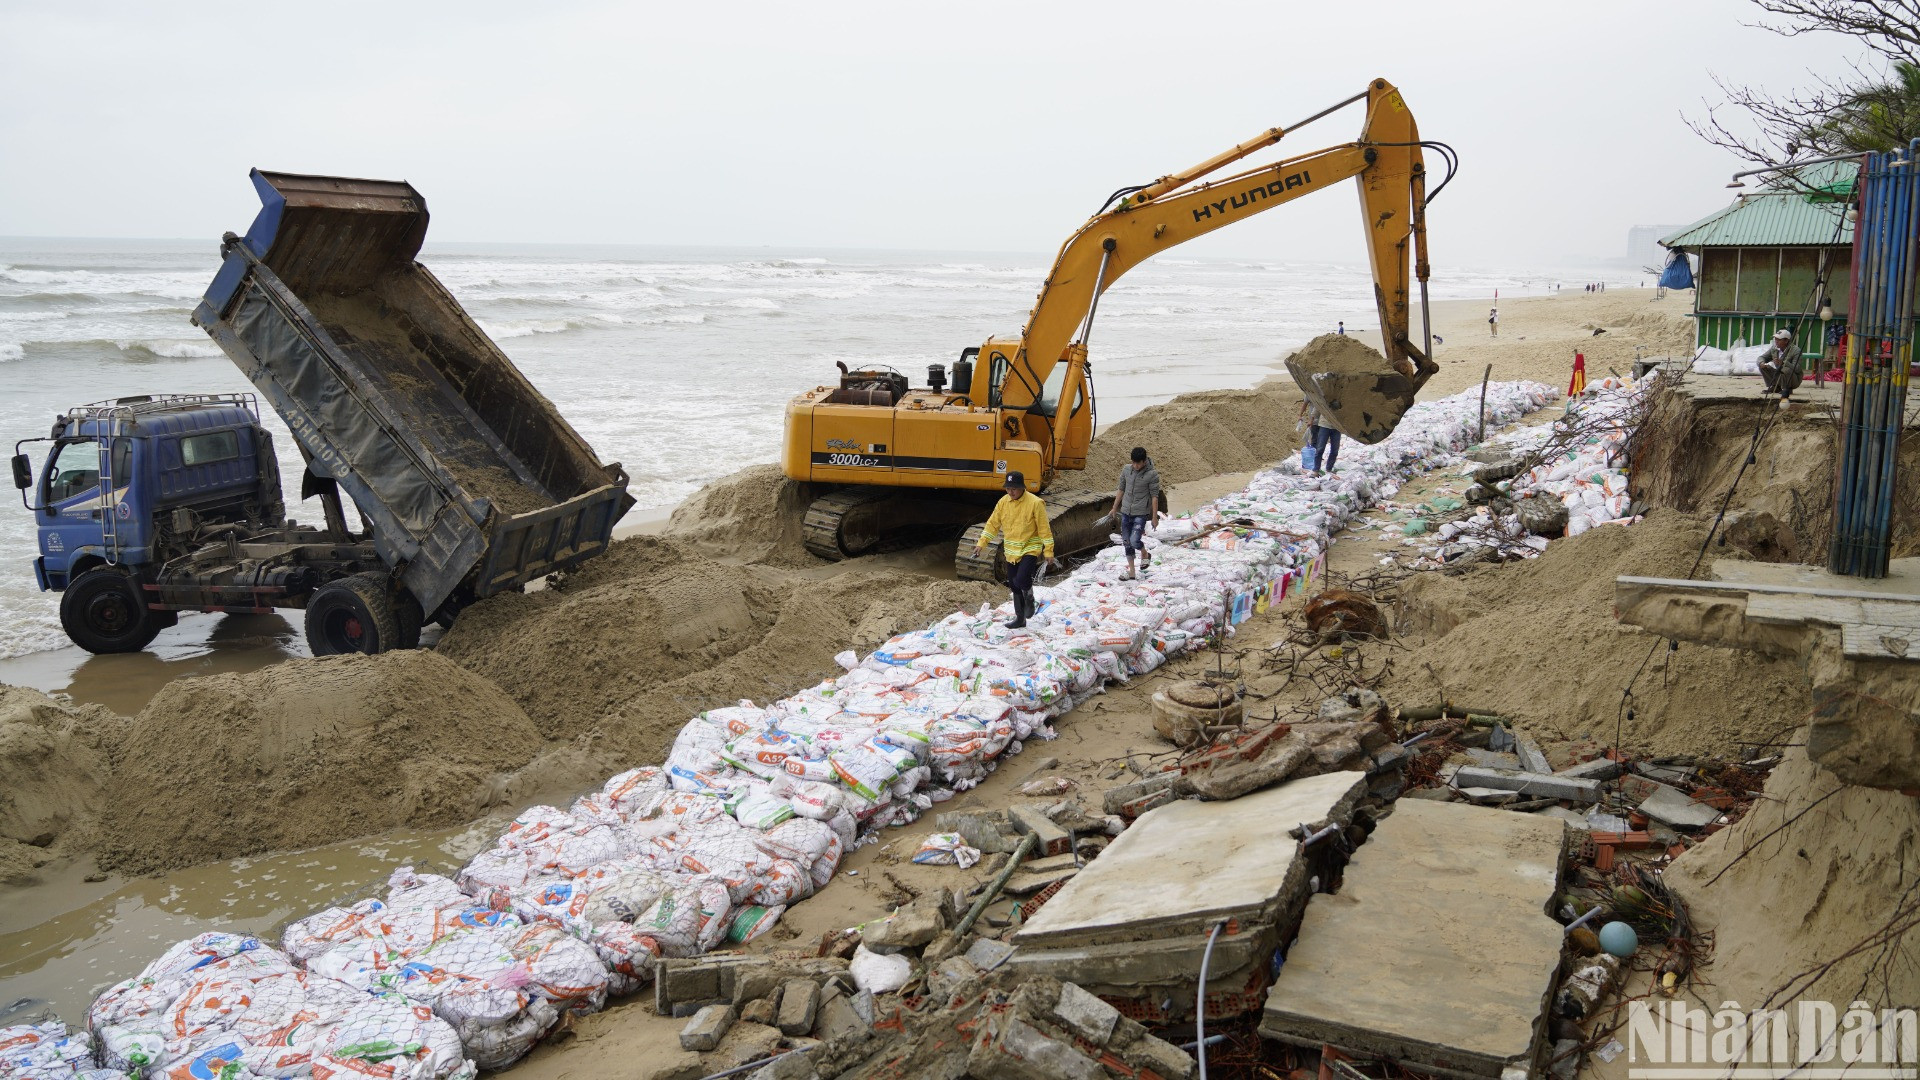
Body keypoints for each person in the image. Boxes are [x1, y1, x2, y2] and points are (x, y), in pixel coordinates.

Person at [976, 471, 1054, 628]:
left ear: (1022, 488)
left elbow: (1044, 529)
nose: (1011, 492)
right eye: (1008, 488)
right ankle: (1020, 619)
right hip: (1011, 551)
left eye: (1014, 489)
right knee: (1013, 585)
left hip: (1029, 548)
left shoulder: (1035, 503)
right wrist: (981, 543)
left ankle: (1030, 598)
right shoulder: (1003, 503)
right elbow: (992, 524)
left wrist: (1048, 551)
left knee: (1022, 578)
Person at [1110, 446, 1161, 580]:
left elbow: (1155, 496)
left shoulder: (1152, 474)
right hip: (1126, 511)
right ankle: (1132, 571)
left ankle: (1144, 553)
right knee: (1127, 542)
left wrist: (1154, 517)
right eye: (1133, 462)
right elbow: (1121, 489)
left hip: (1140, 513)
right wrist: (1114, 507)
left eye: (1138, 463)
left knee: (1134, 540)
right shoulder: (1127, 470)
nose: (1135, 466)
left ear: (1144, 461)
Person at [1758, 328, 1804, 400]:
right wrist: (1761, 363)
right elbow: (1762, 357)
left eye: (1779, 340)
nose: (1776, 342)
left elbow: (1797, 369)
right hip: (1779, 375)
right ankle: (1775, 387)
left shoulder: (1796, 350)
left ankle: (1787, 388)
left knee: (1786, 369)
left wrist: (1783, 363)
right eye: (1775, 339)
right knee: (1763, 367)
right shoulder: (1774, 348)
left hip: (1794, 379)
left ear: (1786, 341)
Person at [1299, 400, 1342, 476]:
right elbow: (1317, 407)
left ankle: (1329, 469)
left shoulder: (1341, 398)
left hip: (1337, 427)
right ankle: (1316, 470)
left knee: (1334, 450)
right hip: (1324, 425)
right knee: (1320, 449)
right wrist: (1311, 420)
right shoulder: (1325, 397)